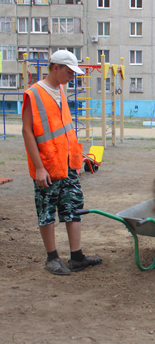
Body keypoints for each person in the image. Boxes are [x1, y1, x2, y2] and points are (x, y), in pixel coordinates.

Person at [22, 50, 102, 275]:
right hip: (46, 166)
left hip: (68, 164)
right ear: (55, 68)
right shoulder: (34, 94)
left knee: (73, 207)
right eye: (69, 72)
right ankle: (52, 258)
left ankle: (76, 257)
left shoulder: (61, 90)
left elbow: (64, 129)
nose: (71, 76)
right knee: (47, 211)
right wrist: (39, 167)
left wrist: (76, 158)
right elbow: (27, 131)